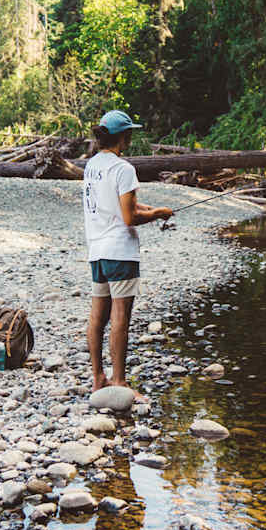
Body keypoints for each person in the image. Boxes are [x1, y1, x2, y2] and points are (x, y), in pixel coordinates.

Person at [84, 110, 173, 393]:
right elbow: (128, 217)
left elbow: (119, 205)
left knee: (98, 317)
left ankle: (99, 379)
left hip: (97, 251)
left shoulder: (92, 166)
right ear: (123, 136)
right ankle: (119, 381)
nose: (130, 138)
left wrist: (154, 210)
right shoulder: (123, 169)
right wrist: (159, 212)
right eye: (129, 133)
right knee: (120, 317)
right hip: (120, 252)